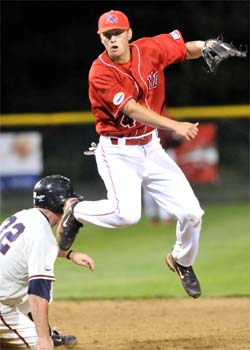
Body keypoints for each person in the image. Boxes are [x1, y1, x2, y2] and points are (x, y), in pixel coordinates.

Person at [57, 9, 207, 299]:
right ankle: (76, 210)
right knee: (126, 215)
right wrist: (174, 125)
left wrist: (208, 45)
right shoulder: (100, 72)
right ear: (100, 38)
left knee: (192, 213)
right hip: (117, 153)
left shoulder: (149, 49)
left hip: (150, 147)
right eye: (107, 35)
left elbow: (185, 49)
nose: (113, 40)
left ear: (129, 33)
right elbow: (131, 109)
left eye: (117, 33)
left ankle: (181, 260)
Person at [0, 175, 94, 350]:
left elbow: (29, 247)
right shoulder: (40, 232)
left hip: (3, 294)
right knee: (41, 343)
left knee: (29, 284)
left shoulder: (23, 216)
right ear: (59, 204)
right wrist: (43, 338)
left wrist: (70, 254)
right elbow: (37, 289)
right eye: (68, 203)